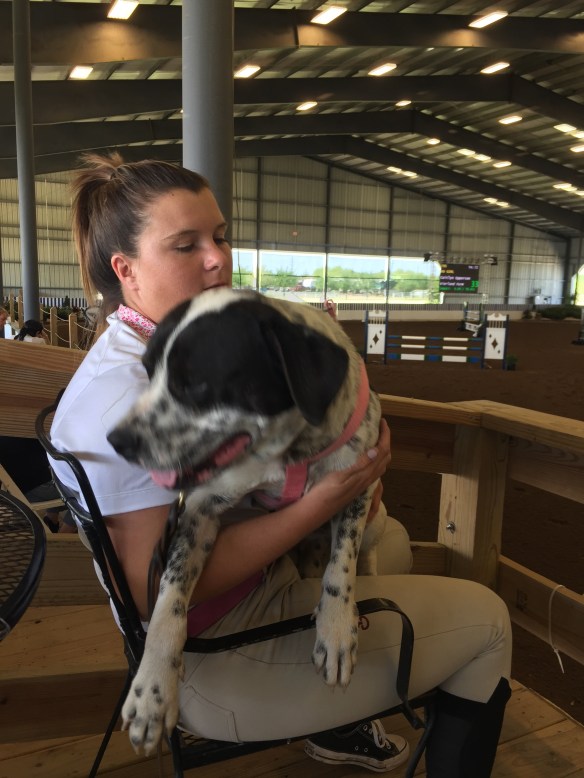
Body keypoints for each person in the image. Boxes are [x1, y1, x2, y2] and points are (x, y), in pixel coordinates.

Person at [49, 153, 512, 777]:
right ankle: (341, 697)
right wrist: (327, 498)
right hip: (217, 652)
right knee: (489, 621)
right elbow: (152, 592)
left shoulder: (144, 346)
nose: (217, 259)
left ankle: (338, 713)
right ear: (125, 268)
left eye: (219, 237)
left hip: (240, 600)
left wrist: (337, 472)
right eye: (185, 245)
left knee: (392, 539)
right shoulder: (130, 398)